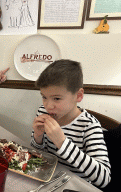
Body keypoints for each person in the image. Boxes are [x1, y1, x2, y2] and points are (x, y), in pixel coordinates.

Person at [30, 59, 110, 188]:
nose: (48, 106)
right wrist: (37, 137)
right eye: (44, 97)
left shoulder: (89, 126)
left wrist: (62, 142)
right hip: (48, 180)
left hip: (75, 186)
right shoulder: (42, 111)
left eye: (56, 98)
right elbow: (39, 154)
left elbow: (104, 178)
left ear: (78, 96)